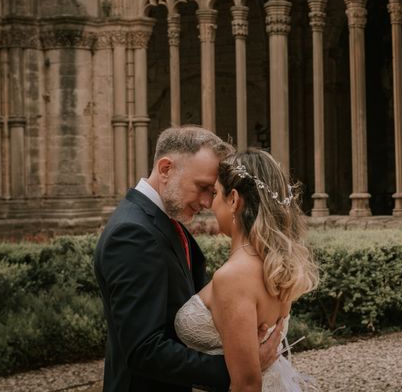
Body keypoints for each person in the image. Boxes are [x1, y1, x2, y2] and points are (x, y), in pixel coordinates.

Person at [94, 126, 282, 392]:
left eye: (213, 192)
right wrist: (238, 368)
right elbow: (143, 349)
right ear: (166, 169)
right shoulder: (132, 233)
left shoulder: (164, 221)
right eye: (203, 187)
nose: (207, 202)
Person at [174, 149, 320, 391]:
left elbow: (247, 385)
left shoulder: (234, 277)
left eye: (216, 193)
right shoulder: (277, 265)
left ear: (233, 199)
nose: (210, 203)